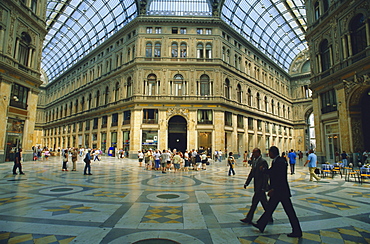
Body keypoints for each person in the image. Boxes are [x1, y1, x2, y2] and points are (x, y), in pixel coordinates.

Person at [252, 146, 302, 238]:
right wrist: (264, 170)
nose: (268, 154)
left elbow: (280, 178)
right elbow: (272, 172)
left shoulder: (280, 162)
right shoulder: (277, 161)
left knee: (289, 212)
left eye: (269, 152)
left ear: (272, 153)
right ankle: (261, 224)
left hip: (281, 191)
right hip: (279, 191)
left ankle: (297, 231)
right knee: (270, 209)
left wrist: (273, 189)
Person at [240, 148, 270, 224]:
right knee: (264, 203)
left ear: (258, 153)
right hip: (257, 186)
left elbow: (266, 175)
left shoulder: (263, 161)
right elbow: (252, 173)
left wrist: (264, 187)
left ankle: (249, 218)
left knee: (255, 203)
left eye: (254, 153)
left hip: (261, 187)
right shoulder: (254, 161)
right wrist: (247, 182)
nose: (253, 154)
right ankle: (269, 216)